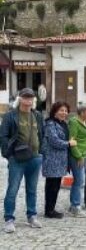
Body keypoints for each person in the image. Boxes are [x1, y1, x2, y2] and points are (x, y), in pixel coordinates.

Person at [1, 88, 44, 233]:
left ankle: (31, 216)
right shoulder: (10, 116)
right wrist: (9, 155)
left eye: (31, 97)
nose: (28, 100)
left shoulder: (37, 115)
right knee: (12, 189)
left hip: (35, 158)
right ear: (20, 99)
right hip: (17, 159)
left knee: (32, 190)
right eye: (25, 97)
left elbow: (42, 134)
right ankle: (9, 219)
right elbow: (3, 137)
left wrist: (41, 152)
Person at [42, 101, 74, 219]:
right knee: (52, 186)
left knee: (55, 185)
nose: (64, 113)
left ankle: (51, 209)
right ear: (54, 111)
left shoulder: (63, 124)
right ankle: (49, 210)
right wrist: (69, 143)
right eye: (61, 110)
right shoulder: (50, 124)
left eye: (65, 111)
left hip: (60, 160)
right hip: (52, 159)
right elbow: (54, 141)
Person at [68, 102, 86, 218]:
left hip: (85, 155)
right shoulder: (74, 122)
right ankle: (76, 206)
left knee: (79, 181)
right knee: (79, 181)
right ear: (82, 112)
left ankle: (74, 204)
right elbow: (72, 141)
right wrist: (78, 156)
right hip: (78, 156)